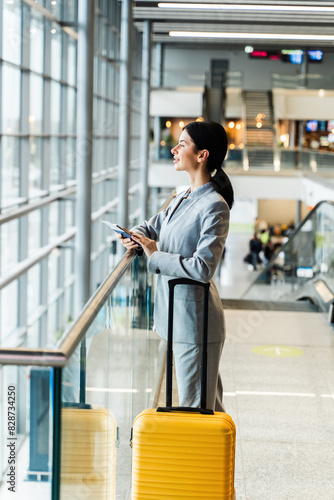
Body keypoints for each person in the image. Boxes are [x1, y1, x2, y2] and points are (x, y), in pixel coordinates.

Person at [118, 121, 233, 412]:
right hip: (179, 317)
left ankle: (207, 458)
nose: (174, 148)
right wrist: (132, 235)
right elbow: (150, 226)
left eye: (182, 144)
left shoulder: (214, 206)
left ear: (202, 155)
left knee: (198, 408)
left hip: (196, 322)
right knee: (203, 403)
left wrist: (154, 255)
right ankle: (212, 457)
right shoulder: (182, 197)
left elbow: (203, 267)